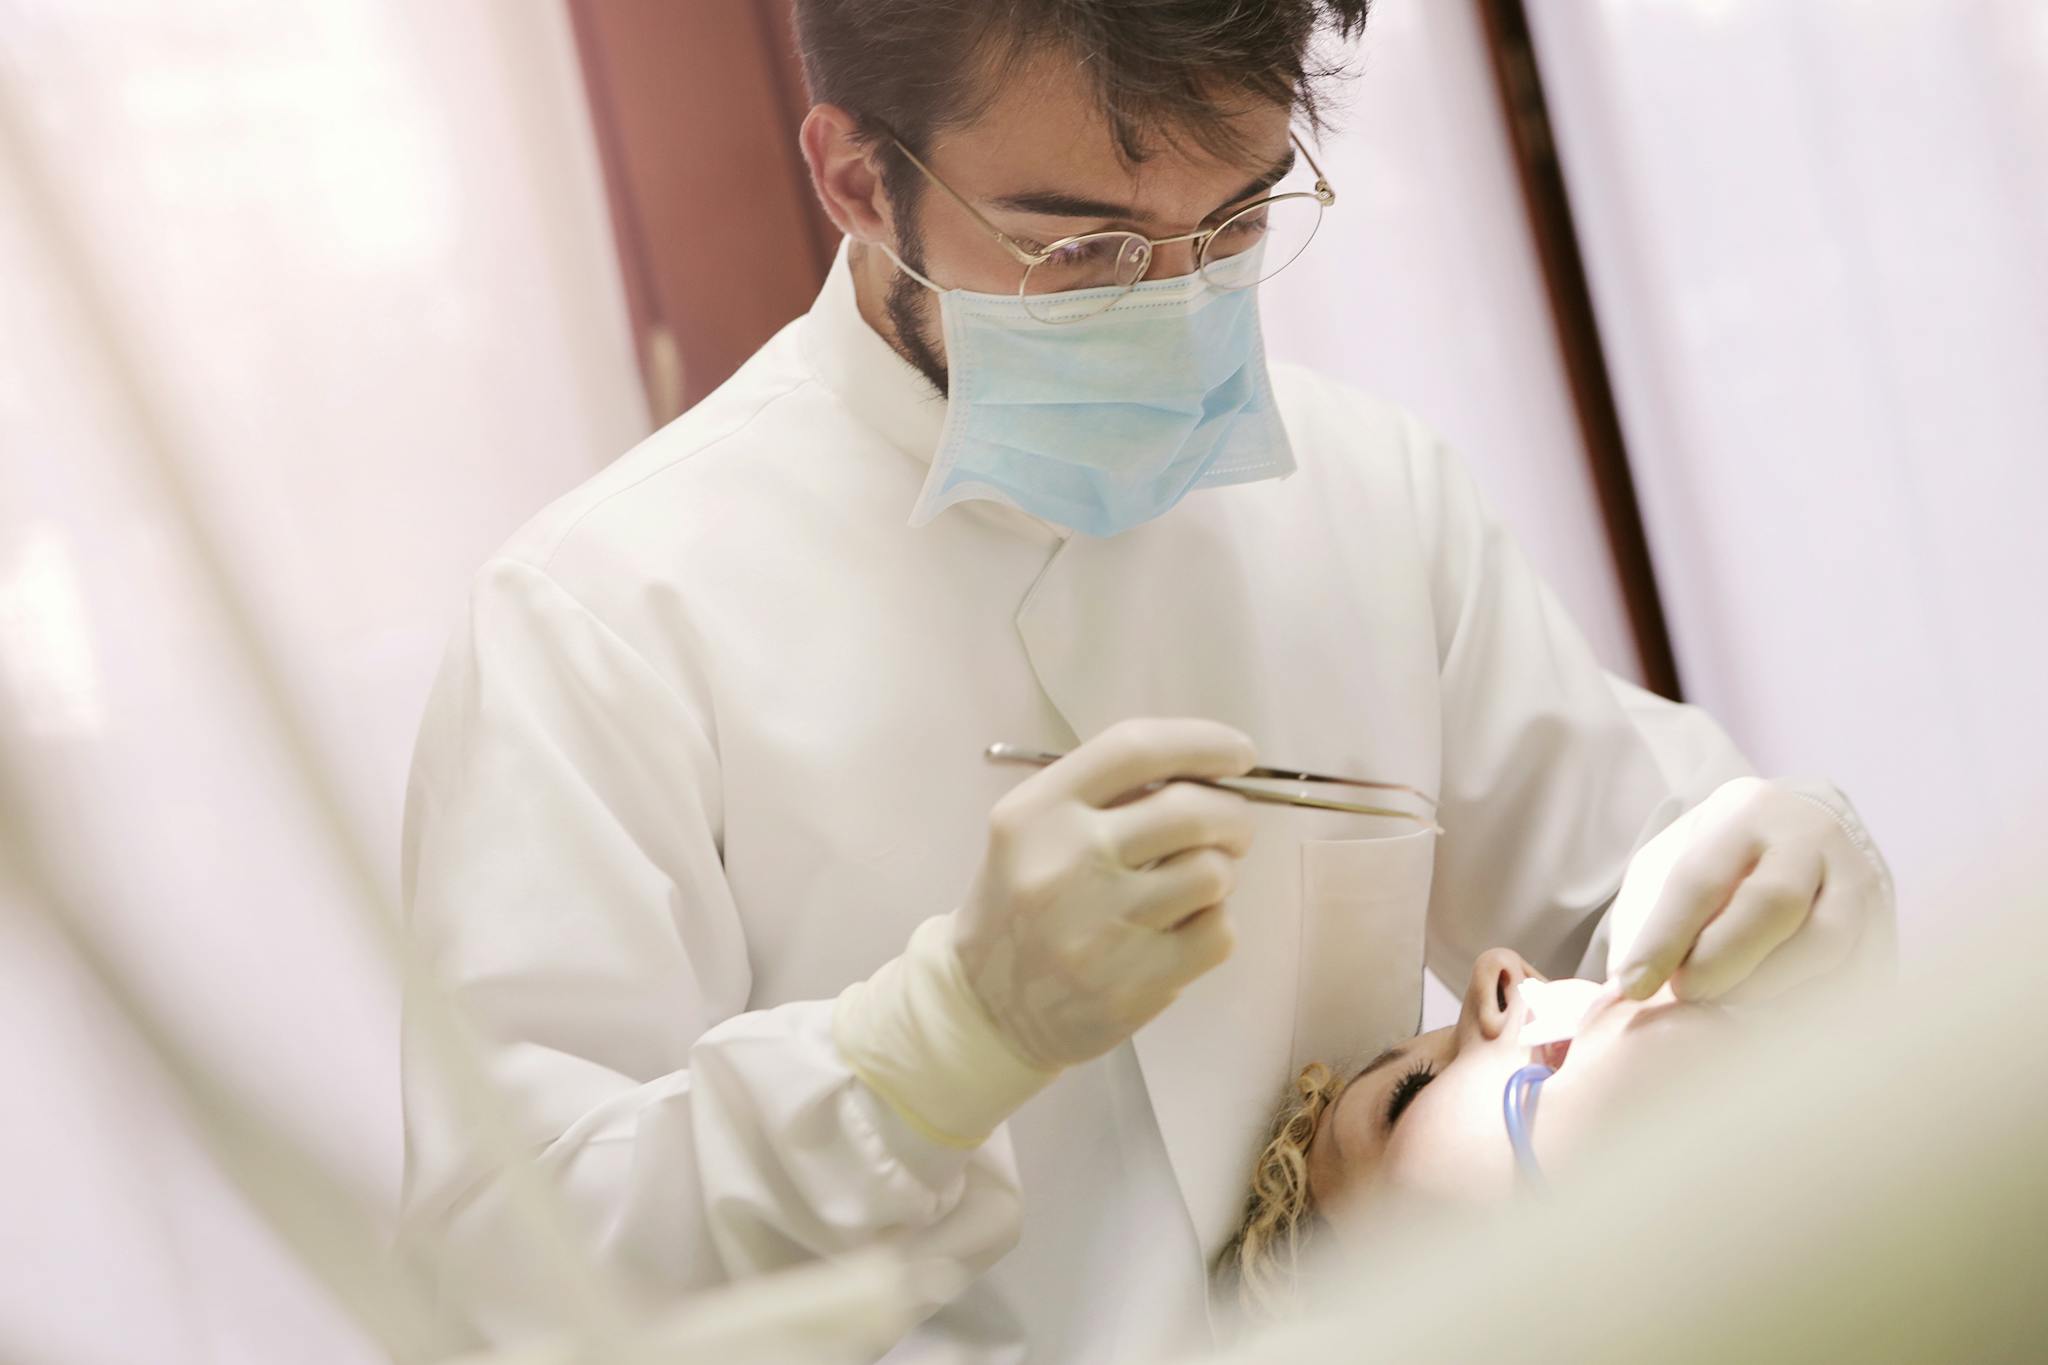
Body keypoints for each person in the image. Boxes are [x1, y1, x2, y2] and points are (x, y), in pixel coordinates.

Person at [396, 2, 1895, 1358]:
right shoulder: (600, 626)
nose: (1176, 306)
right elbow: (505, 1283)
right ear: (858, 178)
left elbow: (1639, 976)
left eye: (1235, 222)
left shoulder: (1372, 497)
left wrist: (1793, 891)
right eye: (1085, 249)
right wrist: (927, 1051)